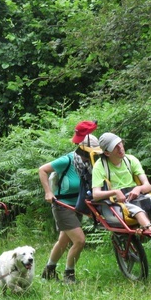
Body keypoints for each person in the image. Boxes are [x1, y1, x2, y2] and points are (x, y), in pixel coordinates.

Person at [38, 121, 102, 283]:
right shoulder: (67, 160)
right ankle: (69, 275)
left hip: (79, 205)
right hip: (62, 205)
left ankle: (49, 270)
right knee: (79, 240)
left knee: (64, 240)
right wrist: (48, 192)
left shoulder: (93, 163)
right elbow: (42, 170)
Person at [92, 133, 151, 246]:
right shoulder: (100, 166)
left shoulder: (131, 160)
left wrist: (138, 188)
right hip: (116, 202)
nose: (120, 148)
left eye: (120, 143)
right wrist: (115, 192)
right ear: (107, 153)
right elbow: (96, 194)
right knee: (136, 209)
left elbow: (147, 186)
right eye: (115, 147)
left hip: (137, 195)